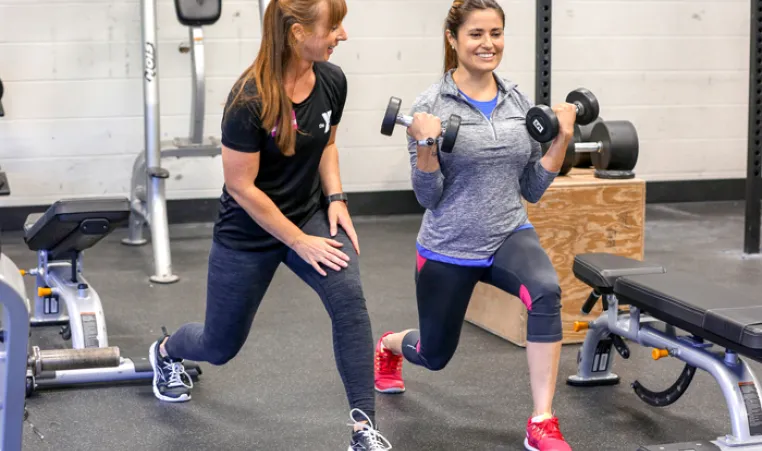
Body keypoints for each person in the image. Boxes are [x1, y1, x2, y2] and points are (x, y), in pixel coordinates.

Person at [147, 1, 392, 449]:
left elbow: (328, 145)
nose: (344, 35)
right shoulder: (249, 99)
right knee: (220, 345)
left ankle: (364, 430)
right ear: (298, 32)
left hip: (308, 214)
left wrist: (335, 199)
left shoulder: (332, 80)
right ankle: (166, 352)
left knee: (350, 302)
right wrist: (299, 242)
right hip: (249, 234)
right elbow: (242, 187)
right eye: (333, 26)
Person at [372, 1, 576, 450]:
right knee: (435, 354)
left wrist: (560, 139)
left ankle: (542, 420)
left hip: (508, 233)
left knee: (545, 291)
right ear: (453, 39)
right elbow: (429, 197)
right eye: (476, 34)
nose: (488, 44)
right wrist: (426, 144)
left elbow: (533, 187)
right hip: (449, 245)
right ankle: (389, 345)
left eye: (496, 33)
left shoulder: (519, 101)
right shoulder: (429, 106)